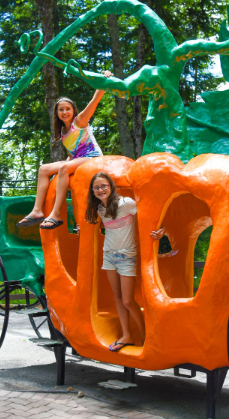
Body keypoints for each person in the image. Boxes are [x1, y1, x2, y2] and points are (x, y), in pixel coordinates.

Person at [18, 71, 112, 230]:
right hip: (78, 159)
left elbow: (95, 101)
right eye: (61, 109)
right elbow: (71, 154)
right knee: (43, 169)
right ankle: (37, 210)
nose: (64, 112)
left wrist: (104, 80)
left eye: (68, 109)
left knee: (63, 168)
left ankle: (56, 214)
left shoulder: (80, 121)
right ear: (57, 113)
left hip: (93, 157)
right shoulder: (62, 132)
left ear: (73, 110)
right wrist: (62, 169)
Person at [84, 171, 164, 352]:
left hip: (126, 256)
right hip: (109, 256)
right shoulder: (100, 209)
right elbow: (98, 226)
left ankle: (145, 338)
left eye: (104, 186)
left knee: (128, 301)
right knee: (118, 298)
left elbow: (150, 214)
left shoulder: (126, 203)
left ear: (111, 186)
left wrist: (162, 229)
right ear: (93, 191)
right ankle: (127, 335)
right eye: (96, 187)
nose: (100, 190)